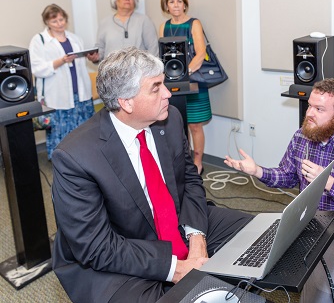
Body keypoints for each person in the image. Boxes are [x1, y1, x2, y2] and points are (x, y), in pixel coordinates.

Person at [51, 47, 253, 303]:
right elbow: (97, 247)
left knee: (260, 237)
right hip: (118, 248)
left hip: (175, 220)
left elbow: (190, 181)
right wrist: (177, 268)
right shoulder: (75, 156)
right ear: (126, 102)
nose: (168, 94)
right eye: (156, 88)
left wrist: (196, 238)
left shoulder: (170, 119)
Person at [224, 79, 334, 303]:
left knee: (320, 298)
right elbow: (287, 175)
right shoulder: (302, 137)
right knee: (258, 264)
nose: (309, 113)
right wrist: (257, 170)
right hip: (309, 226)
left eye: (319, 109)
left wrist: (329, 183)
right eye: (310, 105)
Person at [28, 3, 95, 160]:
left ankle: (84, 159)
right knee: (61, 130)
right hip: (57, 95)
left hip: (80, 92)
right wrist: (61, 61)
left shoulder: (74, 38)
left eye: (61, 19)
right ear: (47, 23)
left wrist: (91, 57)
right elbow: (36, 69)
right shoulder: (39, 41)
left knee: (83, 129)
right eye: (54, 21)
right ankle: (62, 161)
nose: (59, 24)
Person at [159, 0, 211, 175]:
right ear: (166, 5)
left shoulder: (194, 23)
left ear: (185, 4)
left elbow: (201, 54)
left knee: (195, 125)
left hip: (193, 81)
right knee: (177, 124)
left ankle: (198, 162)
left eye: (179, 1)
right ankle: (182, 161)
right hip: (172, 85)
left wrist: (184, 73)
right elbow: (164, 56)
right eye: (172, 1)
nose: (176, 5)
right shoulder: (164, 26)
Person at [87, 0, 158, 63]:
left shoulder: (144, 20)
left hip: (139, 71)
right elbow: (100, 49)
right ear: (115, 0)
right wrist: (95, 57)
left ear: (135, 2)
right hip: (112, 71)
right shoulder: (104, 23)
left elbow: (153, 48)